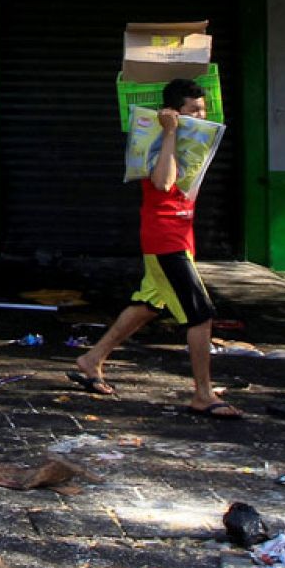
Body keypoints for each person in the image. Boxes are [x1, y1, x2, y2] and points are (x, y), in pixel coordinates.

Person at [71, 78, 240, 419]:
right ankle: (203, 395)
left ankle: (91, 360)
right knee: (201, 315)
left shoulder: (192, 141)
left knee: (149, 304)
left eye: (202, 110)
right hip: (165, 241)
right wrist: (170, 132)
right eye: (193, 111)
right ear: (174, 113)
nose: (200, 116)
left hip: (181, 237)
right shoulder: (157, 139)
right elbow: (163, 182)